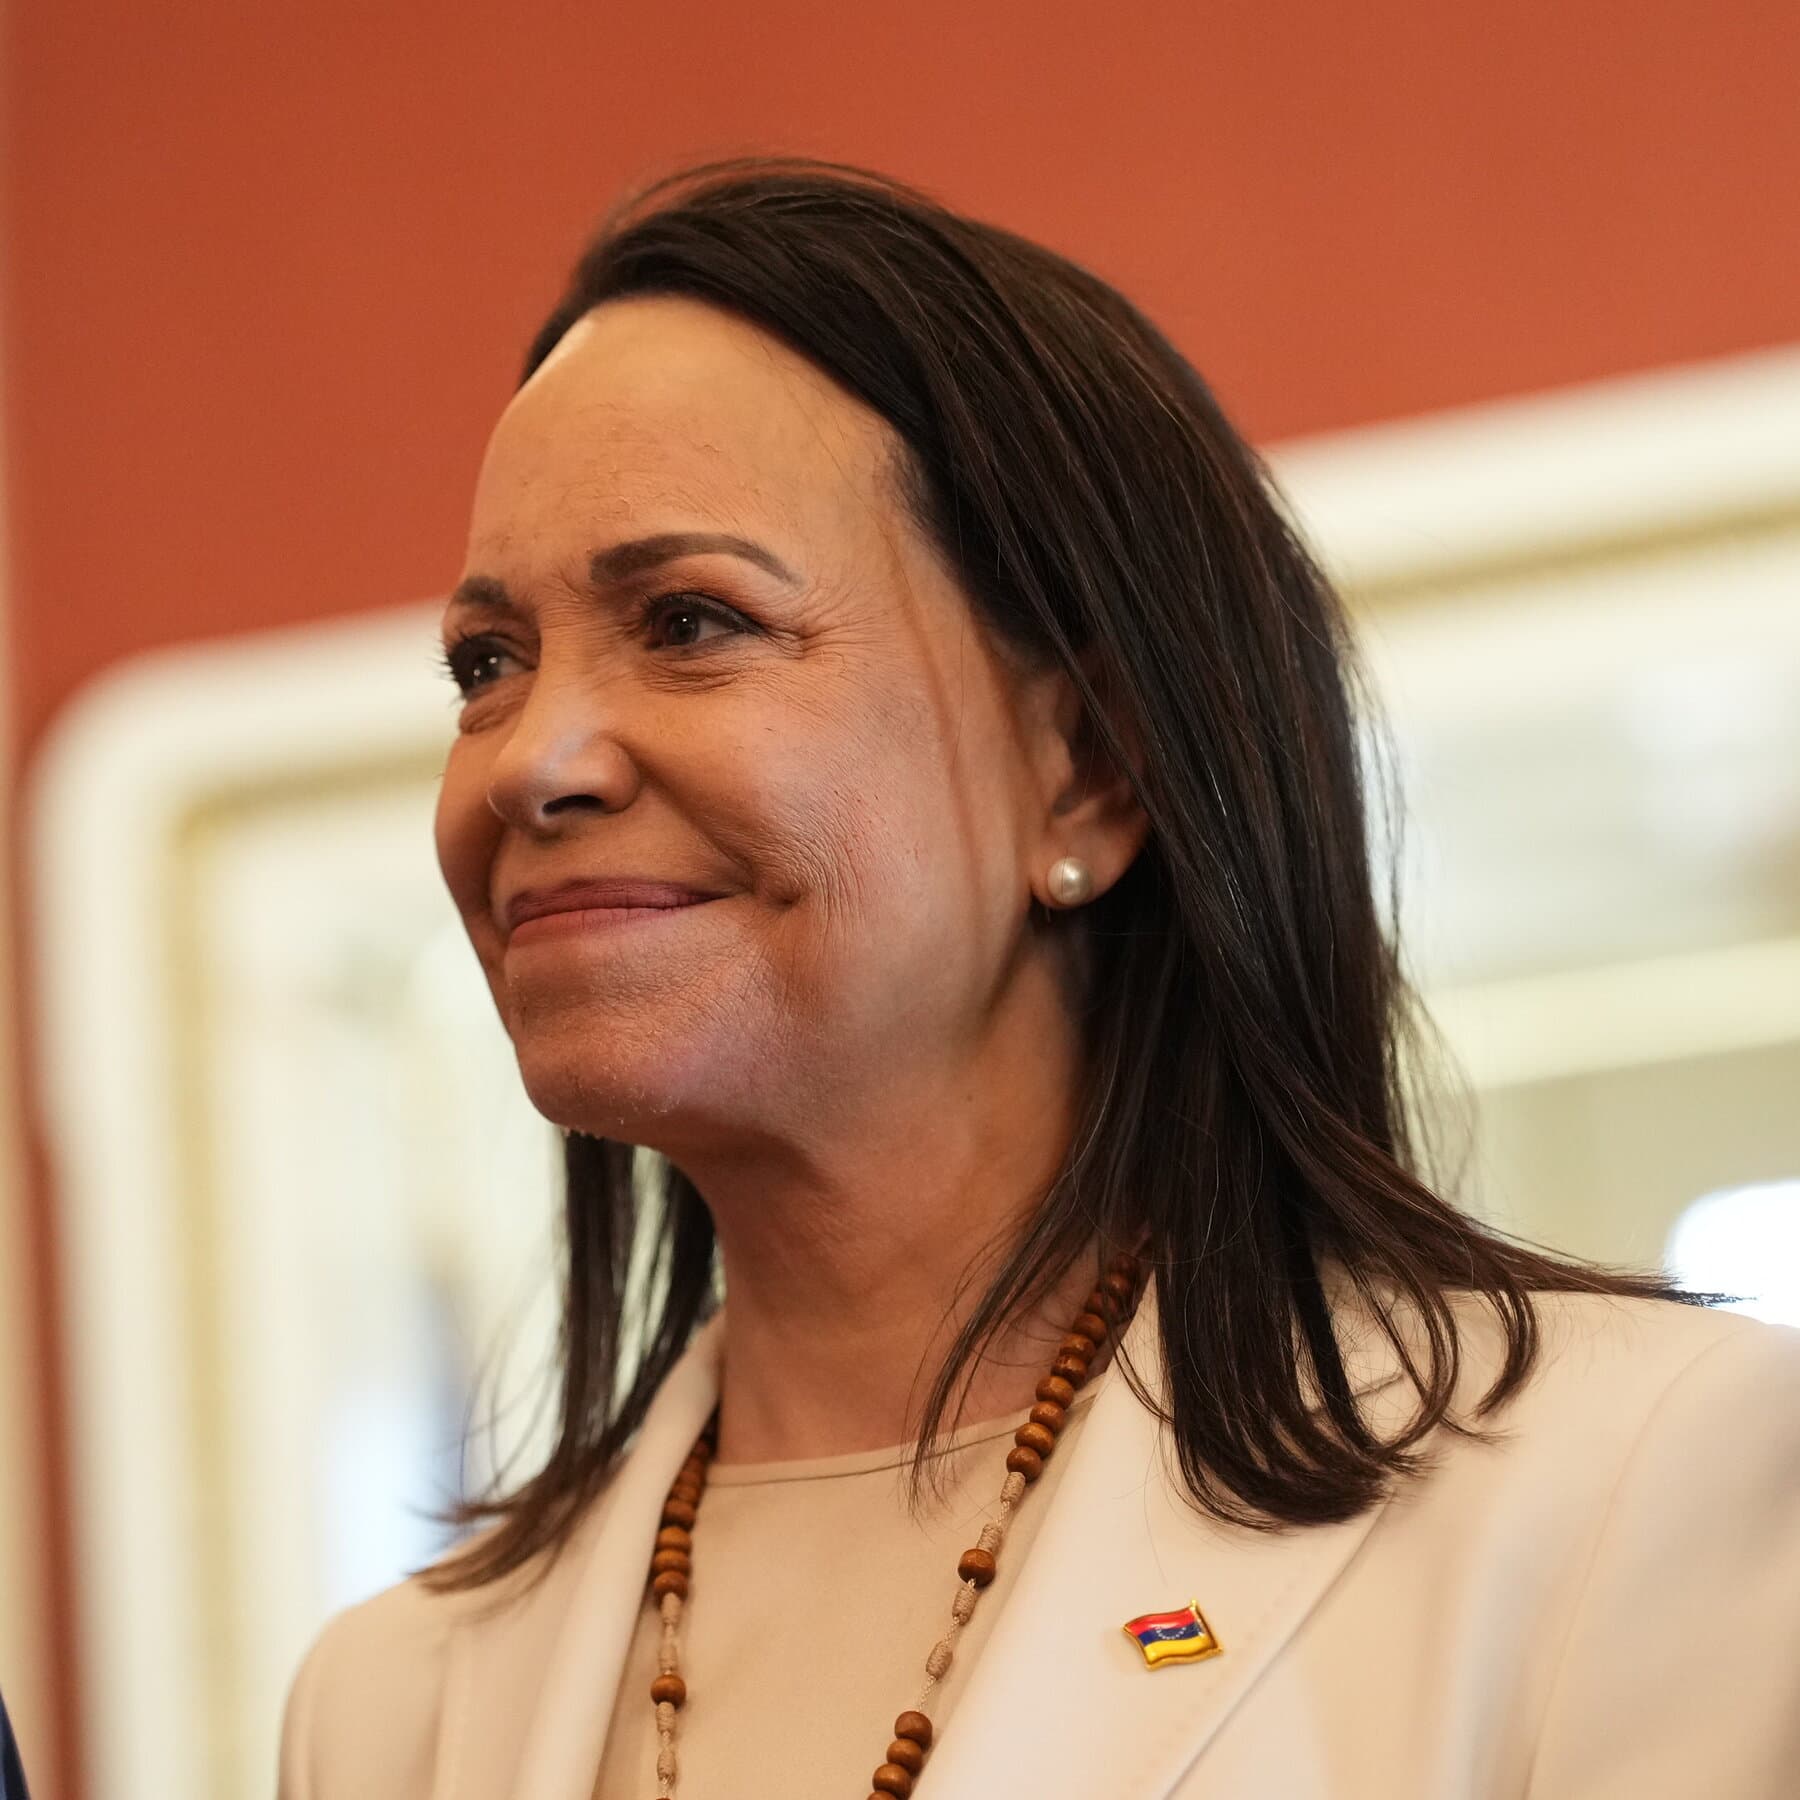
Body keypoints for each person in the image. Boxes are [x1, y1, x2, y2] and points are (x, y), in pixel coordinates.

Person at [276, 157, 1800, 1798]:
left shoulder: (1625, 1497)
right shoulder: (389, 1708)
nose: (532, 759)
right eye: (487, 661)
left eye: (693, 621)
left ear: (1087, 773)